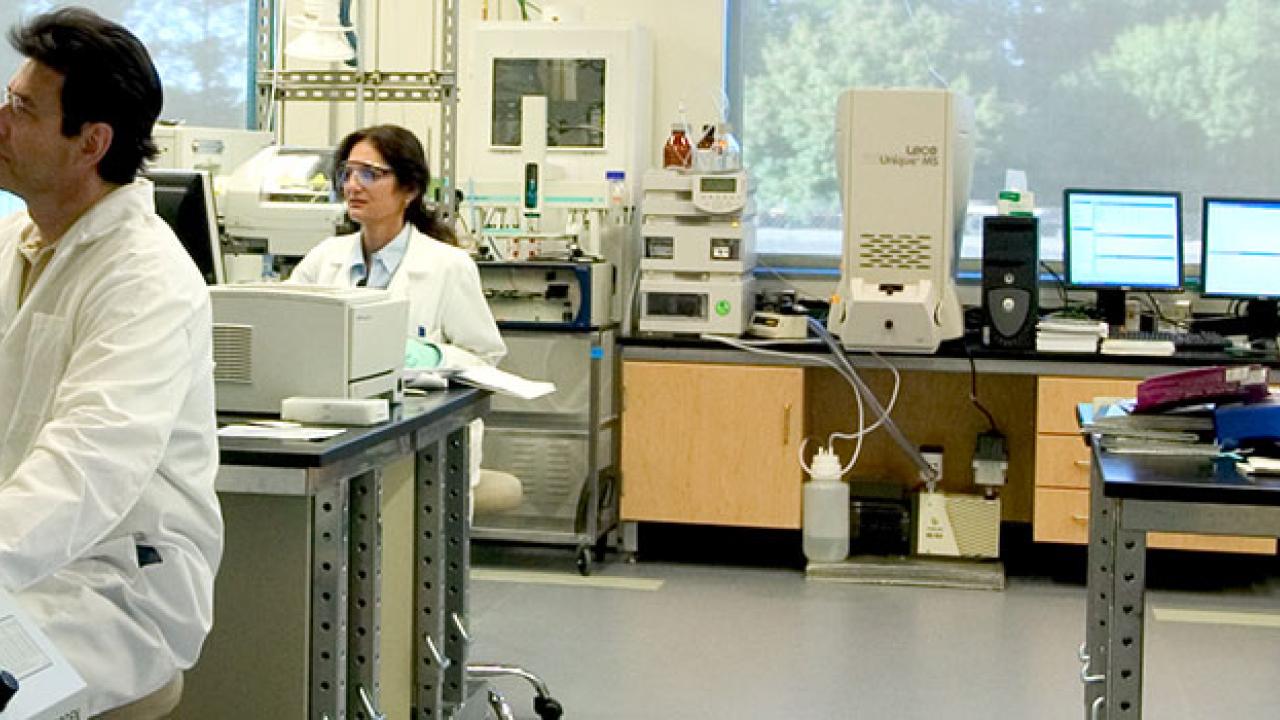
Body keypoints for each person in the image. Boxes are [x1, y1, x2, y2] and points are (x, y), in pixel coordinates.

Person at [0, 7, 222, 717]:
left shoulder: (146, 277)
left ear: (90, 142)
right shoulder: (17, 241)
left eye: (22, 108)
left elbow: (88, 464)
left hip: (115, 586)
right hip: (23, 564)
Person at [289, 123, 506, 368]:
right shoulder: (324, 258)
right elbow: (286, 329)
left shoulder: (449, 266)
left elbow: (485, 356)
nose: (352, 186)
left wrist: (434, 356)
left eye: (369, 174)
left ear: (410, 189)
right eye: (347, 173)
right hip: (330, 401)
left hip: (416, 404)